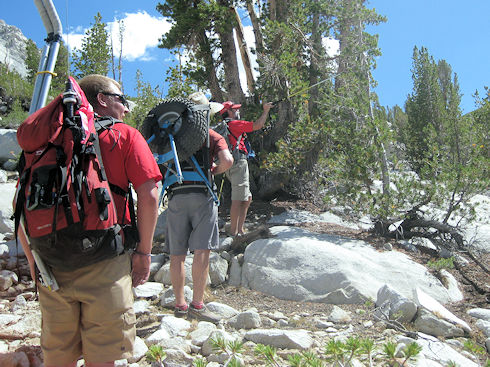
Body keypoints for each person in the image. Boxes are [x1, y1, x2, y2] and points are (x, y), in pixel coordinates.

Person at [17, 74, 162, 367]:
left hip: (52, 262)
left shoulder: (45, 144)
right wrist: (144, 252)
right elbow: (149, 194)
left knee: (58, 358)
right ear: (102, 99)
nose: (126, 108)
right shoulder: (125, 135)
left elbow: (20, 204)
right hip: (105, 261)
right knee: (104, 358)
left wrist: (34, 261)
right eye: (121, 99)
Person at [166, 93, 233, 323]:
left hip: (176, 196)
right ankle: (197, 304)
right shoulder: (212, 136)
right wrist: (214, 171)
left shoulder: (171, 135)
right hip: (202, 195)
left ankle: (179, 305)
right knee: (202, 251)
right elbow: (228, 161)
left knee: (177, 254)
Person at [220, 101, 273, 236]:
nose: (238, 112)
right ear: (229, 112)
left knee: (247, 197)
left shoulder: (226, 126)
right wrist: (265, 110)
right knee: (238, 198)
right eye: (235, 110)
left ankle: (239, 229)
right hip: (238, 163)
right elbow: (258, 125)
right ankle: (234, 232)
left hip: (233, 164)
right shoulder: (234, 124)